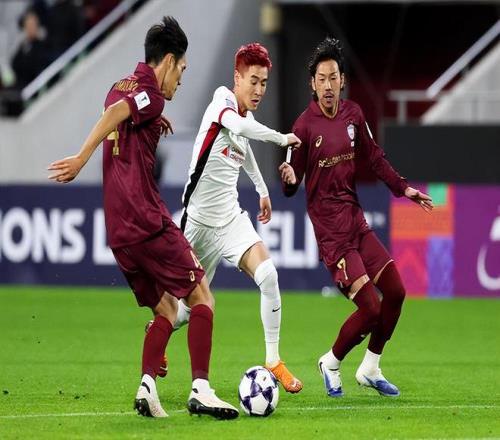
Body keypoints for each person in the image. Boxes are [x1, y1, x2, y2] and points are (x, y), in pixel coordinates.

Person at [47, 16, 238, 420]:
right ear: (168, 61)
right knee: (202, 297)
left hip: (118, 231)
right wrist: (81, 158)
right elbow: (120, 113)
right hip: (147, 220)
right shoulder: (150, 95)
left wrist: (152, 120)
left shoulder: (119, 85)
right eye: (181, 69)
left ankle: (147, 388)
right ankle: (202, 389)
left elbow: (121, 108)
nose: (181, 79)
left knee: (167, 310)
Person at [279, 37, 433, 398]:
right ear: (312, 84)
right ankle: (331, 362)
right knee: (370, 308)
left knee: (396, 291)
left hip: (356, 221)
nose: (328, 85)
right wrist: (288, 179)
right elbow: (290, 181)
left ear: (342, 80)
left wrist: (404, 189)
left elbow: (375, 157)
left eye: (333, 77)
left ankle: (370, 367)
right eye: (321, 79)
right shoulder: (302, 127)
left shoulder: (354, 115)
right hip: (332, 234)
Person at [174, 43, 303, 393]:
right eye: (254, 81)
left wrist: (262, 190)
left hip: (230, 219)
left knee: (269, 275)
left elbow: (244, 150)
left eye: (264, 83)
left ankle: (273, 359)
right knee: (185, 310)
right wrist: (281, 138)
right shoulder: (222, 102)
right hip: (197, 223)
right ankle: (159, 335)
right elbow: (241, 130)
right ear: (237, 78)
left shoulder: (246, 118)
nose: (259, 89)